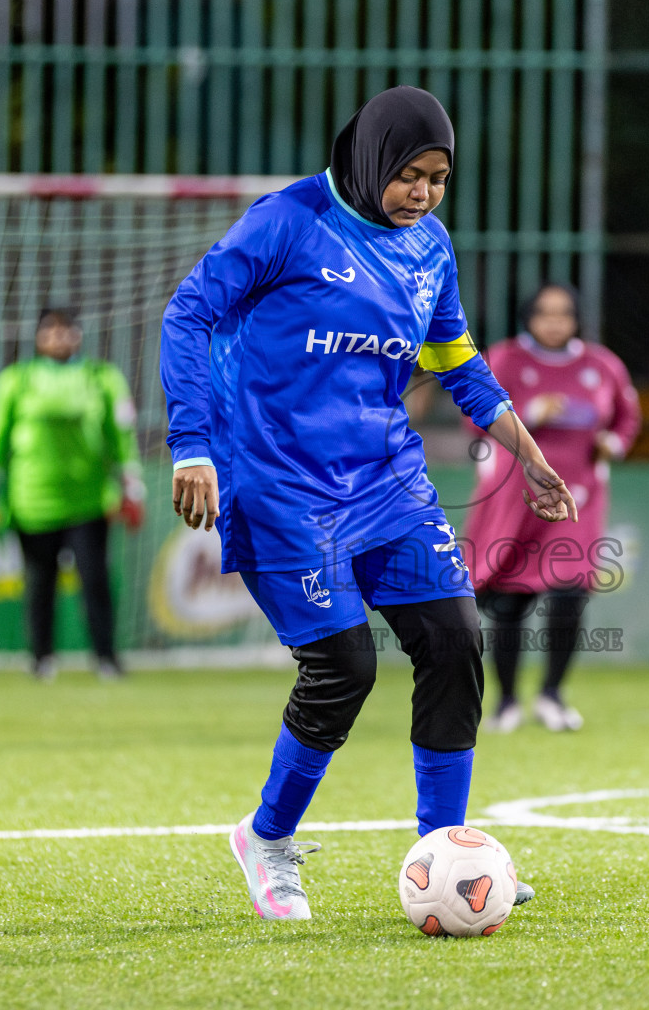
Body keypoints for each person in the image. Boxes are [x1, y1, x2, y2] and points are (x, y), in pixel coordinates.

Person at [159, 86, 575, 921]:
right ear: (372, 157)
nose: (422, 194)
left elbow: (458, 361)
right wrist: (192, 445)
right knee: (343, 667)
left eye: (439, 179)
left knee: (456, 641)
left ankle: (446, 855)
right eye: (410, 175)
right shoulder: (289, 221)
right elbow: (188, 313)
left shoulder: (430, 249)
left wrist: (529, 457)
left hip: (386, 482)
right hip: (278, 486)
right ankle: (267, 838)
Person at [463, 283, 640, 733]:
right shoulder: (505, 359)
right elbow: (474, 412)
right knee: (509, 601)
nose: (555, 321)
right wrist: (530, 411)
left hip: (577, 496)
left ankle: (552, 695)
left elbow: (626, 417)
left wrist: (614, 444)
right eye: (545, 312)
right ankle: (505, 701)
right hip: (518, 496)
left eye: (564, 313)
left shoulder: (602, 365)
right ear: (529, 316)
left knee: (570, 592)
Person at [0, 309, 145, 681]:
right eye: (52, 330)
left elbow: (122, 436)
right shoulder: (17, 380)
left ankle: (106, 658)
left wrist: (132, 485)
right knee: (39, 582)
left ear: (78, 335)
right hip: (33, 500)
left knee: (95, 579)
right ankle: (42, 659)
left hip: (89, 499)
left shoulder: (102, 377)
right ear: (38, 337)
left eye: (68, 330)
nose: (60, 337)